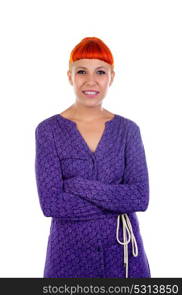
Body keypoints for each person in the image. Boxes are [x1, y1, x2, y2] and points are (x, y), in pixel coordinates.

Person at [35, 36, 151, 278]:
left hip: (124, 259)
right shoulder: (48, 131)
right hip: (68, 258)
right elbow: (51, 204)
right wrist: (117, 199)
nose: (91, 81)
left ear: (111, 77)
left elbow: (140, 197)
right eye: (81, 72)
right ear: (70, 76)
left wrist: (76, 186)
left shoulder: (128, 131)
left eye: (100, 72)